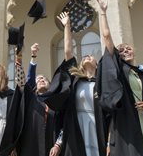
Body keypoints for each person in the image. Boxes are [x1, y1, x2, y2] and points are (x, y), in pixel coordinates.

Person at [43, 11, 108, 156]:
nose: (87, 56)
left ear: (97, 65)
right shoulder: (76, 81)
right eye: (85, 56)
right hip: (76, 124)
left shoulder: (102, 83)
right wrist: (67, 26)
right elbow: (68, 52)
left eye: (91, 56)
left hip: (97, 125)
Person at [96, 0, 143, 156]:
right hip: (128, 121)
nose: (125, 51)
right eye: (121, 50)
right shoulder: (119, 69)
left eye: (128, 48)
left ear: (134, 51)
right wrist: (104, 13)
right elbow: (106, 37)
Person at [14, 43, 63, 156]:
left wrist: (58, 145)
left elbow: (64, 125)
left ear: (50, 85)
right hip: (30, 146)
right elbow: (22, 80)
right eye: (38, 79)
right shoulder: (30, 100)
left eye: (44, 79)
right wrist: (20, 57)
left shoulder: (56, 103)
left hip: (50, 147)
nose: (41, 80)